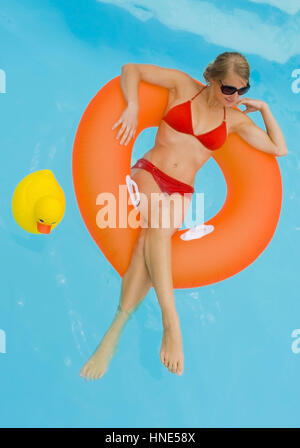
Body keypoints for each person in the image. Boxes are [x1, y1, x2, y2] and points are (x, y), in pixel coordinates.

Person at [80, 51, 288, 381]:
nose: (235, 98)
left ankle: (114, 332)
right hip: (149, 172)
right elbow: (130, 69)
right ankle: (171, 322)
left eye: (242, 91)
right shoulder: (181, 87)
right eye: (229, 90)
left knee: (148, 240)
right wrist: (133, 106)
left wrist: (264, 109)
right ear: (211, 79)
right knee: (159, 224)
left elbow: (279, 148)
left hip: (181, 190)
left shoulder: (234, 120)